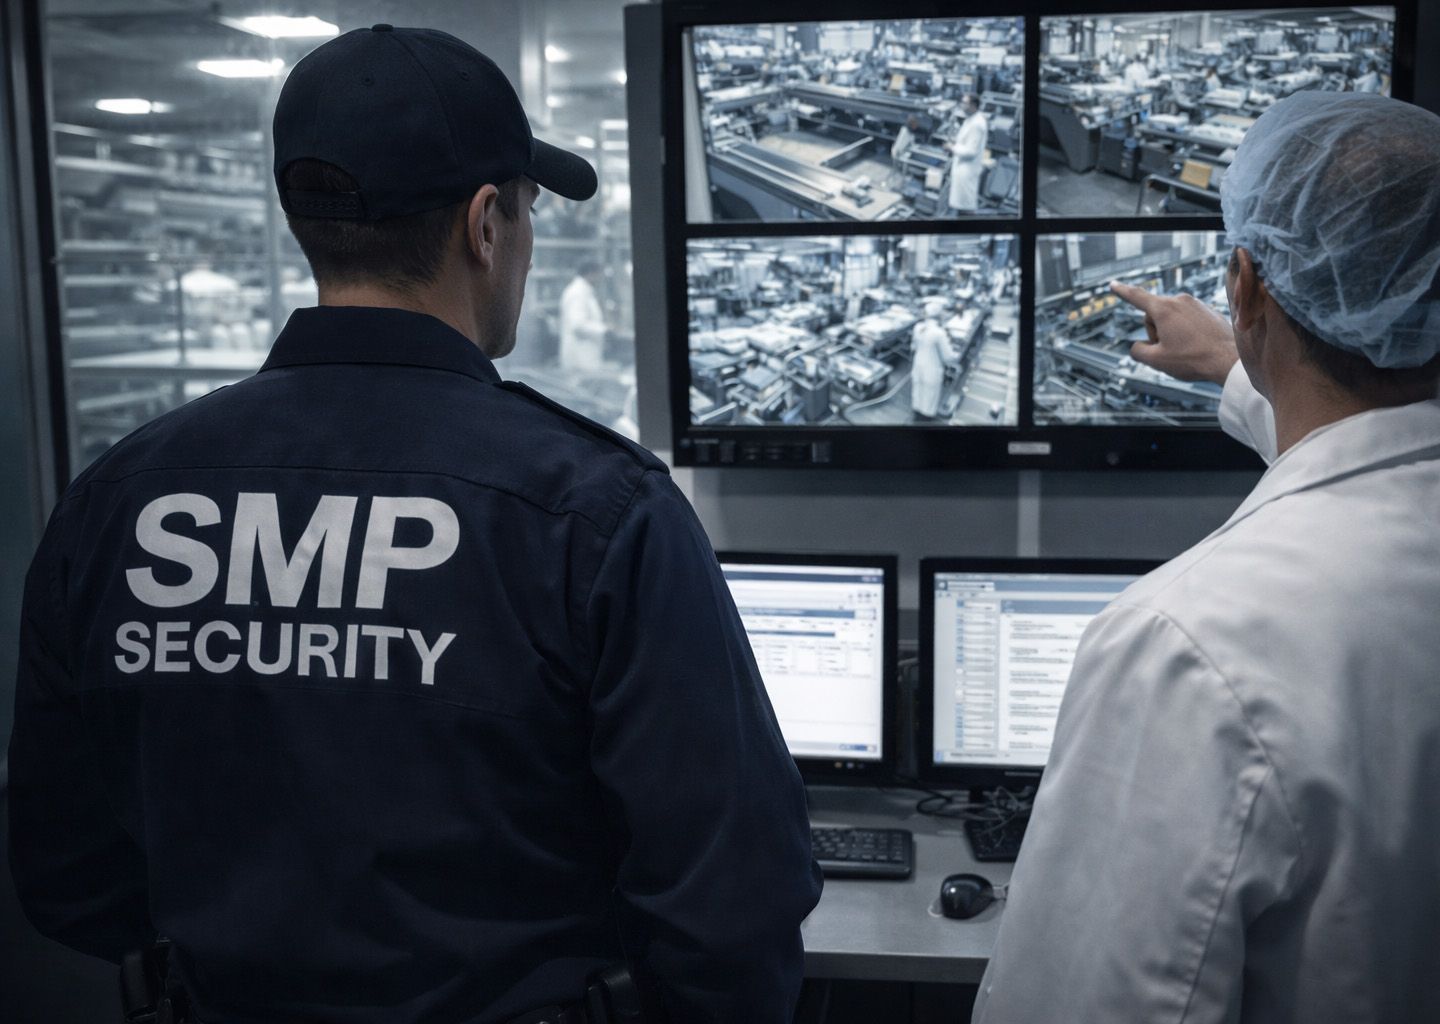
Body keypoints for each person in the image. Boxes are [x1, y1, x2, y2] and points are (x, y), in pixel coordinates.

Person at [9, 25, 820, 1024]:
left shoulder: (116, 502)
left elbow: (67, 878)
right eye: (525, 213)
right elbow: (731, 908)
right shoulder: (596, 513)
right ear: (485, 225)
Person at [975, 91, 1440, 1022]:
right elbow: (1376, 467)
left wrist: (1243, 358)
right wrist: (1236, 369)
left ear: (1244, 285)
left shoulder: (1182, 646)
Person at [910, 298, 957, 420]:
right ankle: (925, 421)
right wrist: (955, 354)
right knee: (929, 399)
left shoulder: (918, 327)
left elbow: (913, 346)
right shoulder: (939, 333)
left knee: (918, 392)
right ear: (939, 315)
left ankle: (916, 416)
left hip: (918, 366)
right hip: (932, 370)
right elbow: (948, 357)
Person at [559, 259, 607, 371]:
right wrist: (606, 330)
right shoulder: (577, 293)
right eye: (600, 273)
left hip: (587, 356)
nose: (601, 278)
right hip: (580, 358)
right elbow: (578, 325)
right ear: (591, 273)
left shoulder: (585, 291)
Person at [945, 93, 988, 214]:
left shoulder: (977, 124)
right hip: (962, 167)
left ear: (973, 105)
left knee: (965, 204)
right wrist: (956, 142)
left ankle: (967, 228)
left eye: (964, 103)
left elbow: (971, 151)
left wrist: (952, 148)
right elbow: (966, 142)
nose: (961, 106)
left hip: (967, 169)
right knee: (961, 203)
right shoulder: (971, 119)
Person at [889, 113, 920, 186]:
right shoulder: (905, 131)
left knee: (901, 168)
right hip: (897, 152)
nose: (916, 126)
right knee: (897, 168)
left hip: (902, 153)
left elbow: (911, 143)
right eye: (915, 124)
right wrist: (898, 153)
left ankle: (898, 180)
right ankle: (894, 181)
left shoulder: (910, 133)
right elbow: (900, 144)